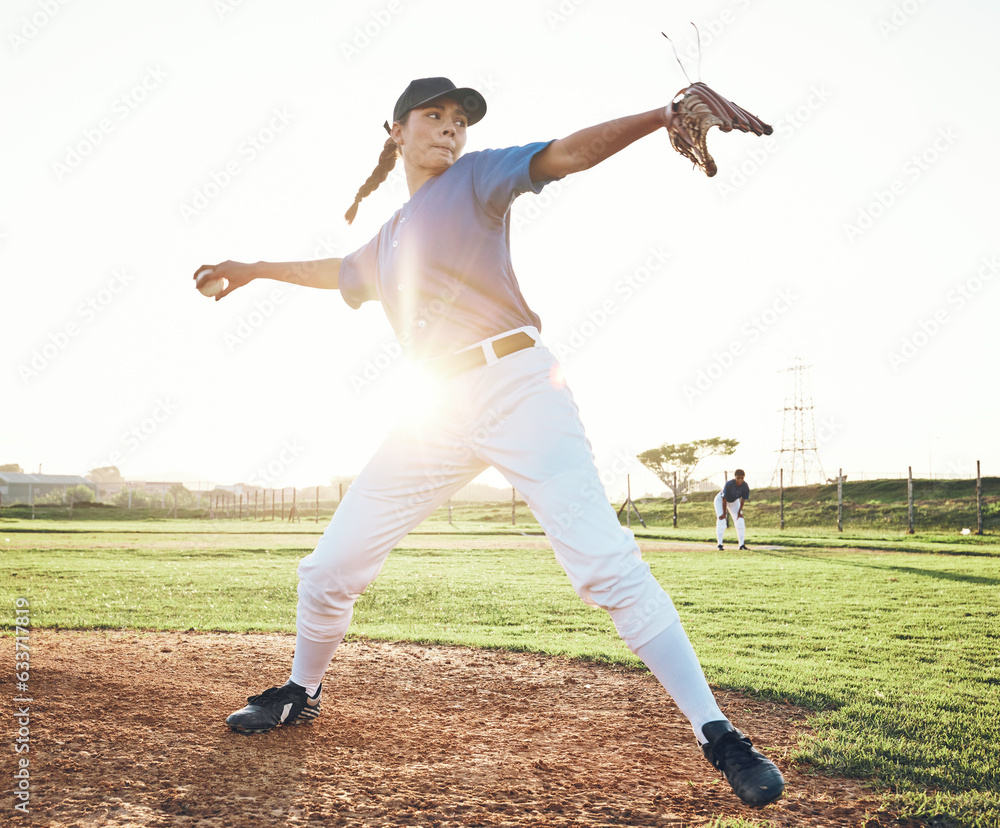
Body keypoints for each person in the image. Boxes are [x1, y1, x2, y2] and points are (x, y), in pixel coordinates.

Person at [195, 77, 784, 808]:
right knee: (326, 570)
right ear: (395, 130)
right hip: (434, 409)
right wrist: (253, 268)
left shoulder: (475, 179)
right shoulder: (391, 236)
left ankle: (717, 733)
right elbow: (338, 272)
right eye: (432, 116)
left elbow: (563, 155)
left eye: (458, 120)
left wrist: (661, 116)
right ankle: (300, 691)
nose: (450, 129)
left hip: (519, 387)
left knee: (605, 566)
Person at [715, 470, 750, 550]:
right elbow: (724, 499)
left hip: (734, 501)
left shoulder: (745, 486)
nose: (740, 480)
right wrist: (724, 514)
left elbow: (743, 500)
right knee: (721, 519)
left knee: (740, 520)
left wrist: (739, 512)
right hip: (721, 500)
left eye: (742, 478)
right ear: (735, 477)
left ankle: (741, 545)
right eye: (738, 478)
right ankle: (719, 545)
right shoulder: (729, 484)